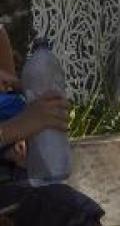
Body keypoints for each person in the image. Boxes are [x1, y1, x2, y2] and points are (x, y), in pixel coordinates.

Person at [0, 25, 104, 226]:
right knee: (68, 209)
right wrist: (16, 128)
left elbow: (11, 103)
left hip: (15, 179)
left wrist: (29, 95)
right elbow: (17, 124)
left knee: (66, 207)